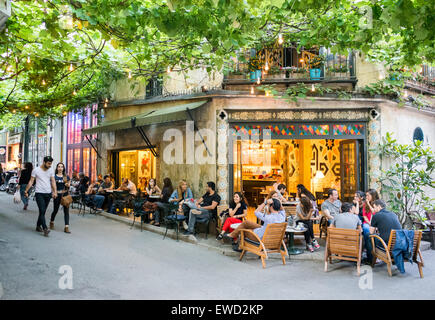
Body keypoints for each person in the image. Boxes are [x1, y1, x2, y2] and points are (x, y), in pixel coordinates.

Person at [24, 156, 57, 237]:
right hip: (39, 193)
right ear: (44, 162)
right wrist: (26, 190)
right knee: (42, 210)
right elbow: (31, 181)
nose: (50, 165)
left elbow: (53, 181)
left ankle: (38, 226)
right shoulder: (36, 170)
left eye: (51, 163)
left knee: (43, 211)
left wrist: (55, 192)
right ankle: (45, 228)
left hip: (48, 193)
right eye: (48, 163)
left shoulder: (51, 170)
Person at [364, 199, 402, 265]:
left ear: (379, 207)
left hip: (386, 245)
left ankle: (370, 259)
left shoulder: (376, 215)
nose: (373, 209)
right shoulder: (393, 214)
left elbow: (371, 232)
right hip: (398, 244)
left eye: (374, 207)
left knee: (368, 235)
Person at [50, 163, 71, 233]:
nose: (60, 168)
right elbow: (52, 186)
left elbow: (68, 186)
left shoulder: (66, 177)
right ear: (56, 168)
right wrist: (53, 192)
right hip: (57, 195)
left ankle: (66, 227)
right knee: (55, 210)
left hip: (65, 195)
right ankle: (52, 221)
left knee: (66, 211)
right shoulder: (54, 177)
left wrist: (67, 185)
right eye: (59, 167)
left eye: (62, 167)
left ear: (63, 168)